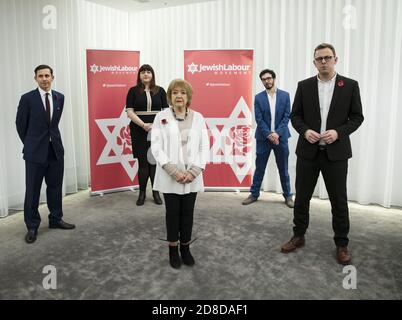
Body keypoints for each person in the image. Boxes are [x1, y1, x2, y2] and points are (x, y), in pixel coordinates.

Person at [281, 43, 364, 265]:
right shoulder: (304, 86)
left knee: (339, 201)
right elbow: (295, 116)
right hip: (308, 153)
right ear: (314, 62)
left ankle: (342, 244)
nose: (324, 61)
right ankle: (298, 236)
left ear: (335, 59)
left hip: (336, 154)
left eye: (328, 57)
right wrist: (305, 130)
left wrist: (338, 132)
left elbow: (357, 117)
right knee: (302, 198)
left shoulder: (350, 86)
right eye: (320, 58)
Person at [151, 79, 209, 269]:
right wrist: (173, 171)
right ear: (170, 96)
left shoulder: (199, 118)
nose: (179, 96)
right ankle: (172, 250)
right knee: (172, 213)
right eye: (175, 93)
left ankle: (185, 248)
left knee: (188, 213)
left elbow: (204, 146)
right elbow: (156, 147)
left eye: (183, 93)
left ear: (188, 97)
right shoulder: (161, 117)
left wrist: (194, 172)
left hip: (192, 176)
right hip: (170, 176)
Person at [16, 65, 75, 244]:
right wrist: (31, 143)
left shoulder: (59, 97)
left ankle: (56, 219)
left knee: (55, 187)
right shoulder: (27, 99)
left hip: (55, 150)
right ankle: (32, 226)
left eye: (47, 75)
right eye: (40, 76)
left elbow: (53, 125)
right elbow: (20, 125)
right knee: (33, 190)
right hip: (35, 153)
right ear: (35, 78)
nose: (44, 79)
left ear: (52, 77)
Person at [243, 69, 294, 208]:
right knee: (260, 167)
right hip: (263, 138)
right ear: (262, 81)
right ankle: (254, 194)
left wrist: (277, 133)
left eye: (269, 78)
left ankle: (288, 196)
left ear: (274, 78)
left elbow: (286, 116)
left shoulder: (285, 95)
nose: (267, 81)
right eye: (264, 79)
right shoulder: (258, 97)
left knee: (283, 168)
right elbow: (259, 119)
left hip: (281, 137)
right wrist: (269, 134)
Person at [126, 64, 168, 206]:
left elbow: (166, 112)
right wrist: (144, 125)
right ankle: (142, 193)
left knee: (154, 162)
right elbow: (130, 112)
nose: (145, 74)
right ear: (139, 75)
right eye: (143, 72)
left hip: (157, 130)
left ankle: (156, 192)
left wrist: (156, 126)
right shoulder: (133, 91)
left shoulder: (160, 90)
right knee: (143, 162)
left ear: (152, 75)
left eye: (148, 72)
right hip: (138, 129)